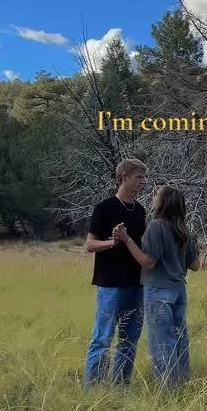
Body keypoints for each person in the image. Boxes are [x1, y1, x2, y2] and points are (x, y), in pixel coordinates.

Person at [114, 186, 200, 387]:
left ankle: (167, 388)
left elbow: (149, 262)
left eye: (157, 195)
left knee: (161, 342)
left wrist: (127, 240)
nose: (154, 198)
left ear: (163, 202)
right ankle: (182, 383)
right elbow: (195, 265)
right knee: (179, 339)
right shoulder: (183, 229)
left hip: (158, 290)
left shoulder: (155, 226)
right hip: (179, 290)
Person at [83, 159, 147, 386]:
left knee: (130, 339)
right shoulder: (105, 208)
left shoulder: (140, 211)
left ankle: (121, 385)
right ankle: (94, 388)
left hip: (136, 283)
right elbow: (90, 245)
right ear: (123, 177)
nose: (142, 182)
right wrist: (113, 242)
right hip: (110, 283)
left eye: (144, 177)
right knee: (103, 338)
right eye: (138, 177)